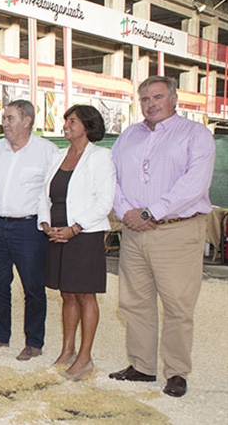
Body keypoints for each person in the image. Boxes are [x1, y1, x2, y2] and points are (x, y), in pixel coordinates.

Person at [109, 76, 215, 398]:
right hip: (133, 232)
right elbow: (110, 176)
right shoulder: (128, 136)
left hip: (177, 231)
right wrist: (128, 211)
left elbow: (193, 184)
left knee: (177, 306)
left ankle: (177, 372)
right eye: (145, 99)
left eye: (157, 97)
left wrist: (149, 212)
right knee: (134, 302)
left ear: (174, 99)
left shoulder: (196, 135)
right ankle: (142, 366)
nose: (151, 104)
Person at [0, 100, 58, 360]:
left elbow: (53, 193)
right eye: (4, 118)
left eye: (10, 118)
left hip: (29, 229)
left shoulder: (48, 151)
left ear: (27, 121)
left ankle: (34, 342)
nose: (5, 123)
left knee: (33, 288)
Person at [38, 105, 115, 381]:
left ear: (87, 125)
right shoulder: (58, 156)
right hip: (56, 233)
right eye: (66, 121)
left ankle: (85, 358)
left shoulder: (101, 157)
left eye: (72, 121)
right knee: (66, 294)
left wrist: (75, 228)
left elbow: (104, 201)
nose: (66, 125)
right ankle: (67, 350)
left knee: (85, 295)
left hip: (85, 236)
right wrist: (45, 224)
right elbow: (44, 194)